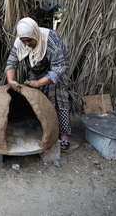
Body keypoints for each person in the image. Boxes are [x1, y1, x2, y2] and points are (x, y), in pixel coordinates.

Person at [5, 17, 72, 150]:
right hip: (37, 70)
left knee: (60, 100)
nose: (26, 44)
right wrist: (11, 80)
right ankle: (46, 130)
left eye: (29, 40)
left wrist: (40, 82)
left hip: (57, 69)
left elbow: (59, 67)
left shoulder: (50, 38)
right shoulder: (20, 42)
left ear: (35, 33)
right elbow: (11, 63)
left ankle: (64, 135)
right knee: (38, 100)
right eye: (24, 41)